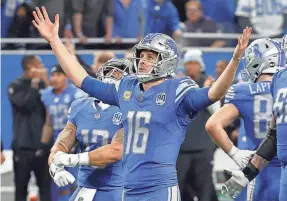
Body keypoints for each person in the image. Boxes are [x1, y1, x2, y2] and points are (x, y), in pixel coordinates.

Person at [32, 7, 251, 200]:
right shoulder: (127, 87)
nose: (143, 61)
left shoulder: (178, 89)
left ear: (166, 60)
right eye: (142, 55)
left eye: (150, 56)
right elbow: (82, 79)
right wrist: (55, 41)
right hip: (128, 187)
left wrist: (234, 61)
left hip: (160, 187)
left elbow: (214, 93)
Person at [206, 38, 284, 201]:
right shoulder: (281, 87)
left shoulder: (243, 91)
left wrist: (235, 154)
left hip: (258, 170)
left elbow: (213, 124)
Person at [49, 60, 129, 201]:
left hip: (119, 188)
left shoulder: (131, 109)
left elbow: (115, 151)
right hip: (85, 188)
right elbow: (61, 144)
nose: (113, 76)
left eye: (119, 73)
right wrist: (56, 168)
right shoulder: (80, 106)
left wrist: (72, 159)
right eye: (109, 72)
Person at [40, 64, 87, 201]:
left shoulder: (76, 94)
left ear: (66, 77)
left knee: (77, 186)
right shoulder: (47, 94)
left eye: (58, 75)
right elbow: (49, 123)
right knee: (58, 187)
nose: (54, 78)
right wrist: (43, 146)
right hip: (58, 147)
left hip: (76, 147)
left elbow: (83, 120)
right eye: (52, 75)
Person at [8, 55, 51, 201]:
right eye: (39, 64)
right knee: (21, 189)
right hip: (22, 146)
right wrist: (35, 83)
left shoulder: (43, 86)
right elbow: (24, 105)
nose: (42, 68)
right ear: (29, 67)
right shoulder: (15, 85)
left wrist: (45, 82)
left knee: (45, 188)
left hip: (43, 145)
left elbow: (53, 103)